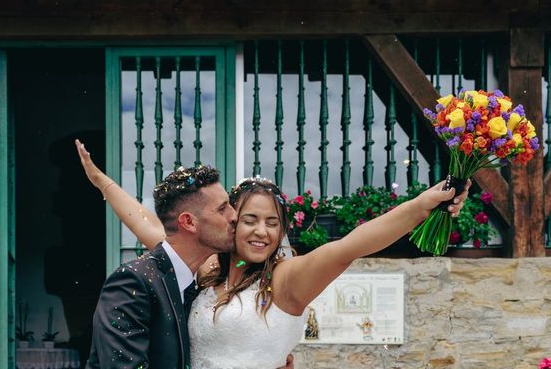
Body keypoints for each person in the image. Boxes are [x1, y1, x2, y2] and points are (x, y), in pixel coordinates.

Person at [77, 140, 469, 369]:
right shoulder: (208, 270)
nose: (260, 231)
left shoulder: (287, 280)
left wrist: (426, 202)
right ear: (230, 221)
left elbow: (356, 242)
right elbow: (150, 225)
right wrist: (102, 182)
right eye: (248, 219)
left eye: (272, 222)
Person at [85, 154, 237, 368]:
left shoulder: (198, 283)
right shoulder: (132, 283)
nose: (234, 216)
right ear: (189, 222)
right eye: (222, 209)